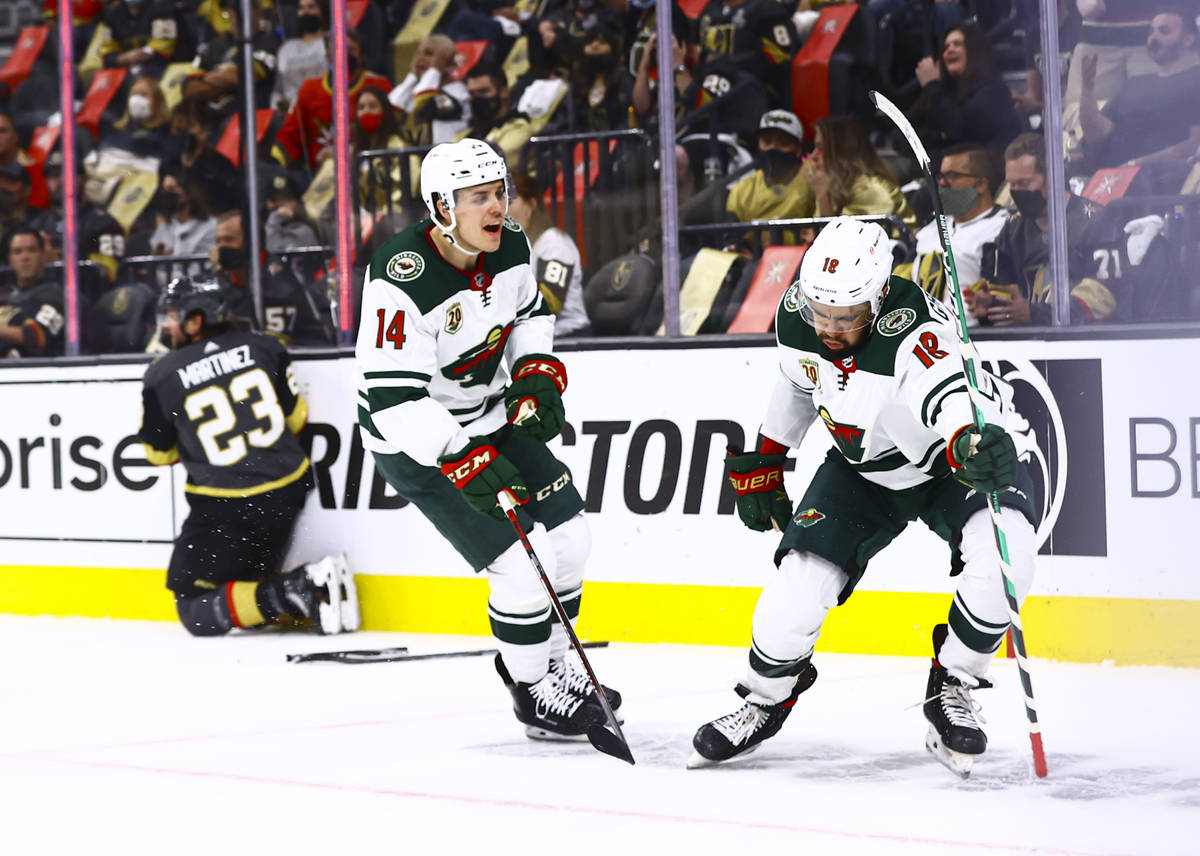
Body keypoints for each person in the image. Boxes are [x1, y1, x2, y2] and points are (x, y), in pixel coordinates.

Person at [688, 217, 1037, 777]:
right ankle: (764, 699)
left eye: (844, 315)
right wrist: (769, 459)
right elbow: (799, 384)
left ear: (876, 300)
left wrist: (971, 439)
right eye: (818, 310)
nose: (826, 326)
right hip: (861, 469)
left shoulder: (915, 329)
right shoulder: (800, 314)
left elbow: (948, 396)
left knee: (1009, 557)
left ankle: (954, 681)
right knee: (793, 594)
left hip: (947, 463)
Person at [355, 138, 618, 739]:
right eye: (479, 198)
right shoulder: (403, 275)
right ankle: (532, 692)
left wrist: (534, 373)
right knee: (524, 567)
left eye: (500, 192)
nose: (497, 206)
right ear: (443, 209)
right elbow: (393, 400)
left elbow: (529, 315)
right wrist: (458, 454)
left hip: (490, 415)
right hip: (416, 441)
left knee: (571, 539)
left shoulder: (513, 245)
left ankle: (557, 665)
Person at [138, 275, 357, 636]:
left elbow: (158, 455)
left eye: (175, 315)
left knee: (194, 608)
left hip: (226, 508)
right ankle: (293, 595)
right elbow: (297, 418)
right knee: (241, 587)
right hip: (287, 494)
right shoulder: (264, 347)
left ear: (197, 321)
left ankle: (298, 589)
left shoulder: (162, 375)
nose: (168, 324)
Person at [968, 133, 1125, 326]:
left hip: (1084, 343)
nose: (1016, 191)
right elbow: (1003, 291)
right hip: (1028, 344)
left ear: (1053, 177)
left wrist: (1036, 314)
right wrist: (990, 305)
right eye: (1012, 184)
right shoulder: (1013, 229)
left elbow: (1103, 296)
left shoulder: (1096, 222)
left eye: (1024, 183)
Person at [894, 143, 1009, 324]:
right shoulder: (930, 228)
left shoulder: (1003, 228)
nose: (942, 183)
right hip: (921, 335)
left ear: (981, 184)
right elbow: (900, 283)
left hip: (973, 337)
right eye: (941, 176)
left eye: (953, 176)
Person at [1079, 6, 1200, 171]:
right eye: (1150, 32)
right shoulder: (1134, 84)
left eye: (1164, 31)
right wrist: (1087, 89)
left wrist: (1136, 165)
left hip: (1161, 181)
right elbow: (1097, 134)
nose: (1153, 38)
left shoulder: (1195, 80)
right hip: (1110, 178)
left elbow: (1195, 144)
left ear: (1188, 40)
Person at [209, 208, 334, 346]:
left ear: (252, 242)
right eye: (218, 241)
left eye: (229, 240)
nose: (220, 248)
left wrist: (226, 286)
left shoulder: (280, 285)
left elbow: (261, 338)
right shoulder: (224, 277)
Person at [272, 30, 392, 172]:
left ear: (360, 56)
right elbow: (291, 135)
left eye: (351, 49)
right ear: (328, 56)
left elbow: (390, 131)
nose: (344, 55)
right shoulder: (309, 89)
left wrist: (346, 153)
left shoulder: (378, 85)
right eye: (338, 49)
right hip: (319, 175)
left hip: (367, 170)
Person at [907, 22, 1025, 155]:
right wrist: (940, 137)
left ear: (974, 51)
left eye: (957, 44)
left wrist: (932, 85)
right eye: (945, 47)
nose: (949, 50)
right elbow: (900, 135)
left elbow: (960, 129)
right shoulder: (941, 92)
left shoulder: (993, 90)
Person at [508, 170, 589, 337]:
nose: (501, 210)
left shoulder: (554, 243)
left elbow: (550, 302)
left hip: (569, 336)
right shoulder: (519, 247)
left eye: (509, 202)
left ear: (531, 204)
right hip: (536, 335)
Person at [804, 115, 918, 231]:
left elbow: (844, 241)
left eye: (821, 148)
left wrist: (823, 197)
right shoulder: (834, 187)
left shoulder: (872, 190)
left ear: (841, 152)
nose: (813, 157)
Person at [725, 109, 815, 250]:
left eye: (783, 142)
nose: (773, 148)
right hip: (752, 263)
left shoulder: (814, 185)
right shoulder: (742, 190)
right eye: (767, 141)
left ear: (798, 149)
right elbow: (731, 238)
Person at [388, 33, 469, 145]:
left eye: (428, 53)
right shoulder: (416, 91)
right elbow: (389, 112)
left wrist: (435, 70)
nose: (419, 58)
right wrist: (411, 77)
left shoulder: (458, 92)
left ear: (446, 62)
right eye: (417, 53)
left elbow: (425, 104)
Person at [455, 62, 535, 171]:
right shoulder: (462, 135)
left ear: (503, 91)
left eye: (483, 91)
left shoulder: (521, 130)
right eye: (472, 94)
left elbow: (490, 165)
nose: (477, 99)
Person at [0, 228, 65, 358]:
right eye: (18, 252)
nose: (25, 257)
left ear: (42, 255)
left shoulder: (54, 295)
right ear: (10, 260)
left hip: (33, 371)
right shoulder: (5, 294)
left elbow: (35, 337)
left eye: (31, 250)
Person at [271, 0, 330, 113]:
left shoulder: (331, 42)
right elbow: (278, 90)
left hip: (323, 110)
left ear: (322, 11)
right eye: (301, 8)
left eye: (311, 7)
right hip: (292, 115)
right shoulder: (286, 49)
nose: (305, 12)